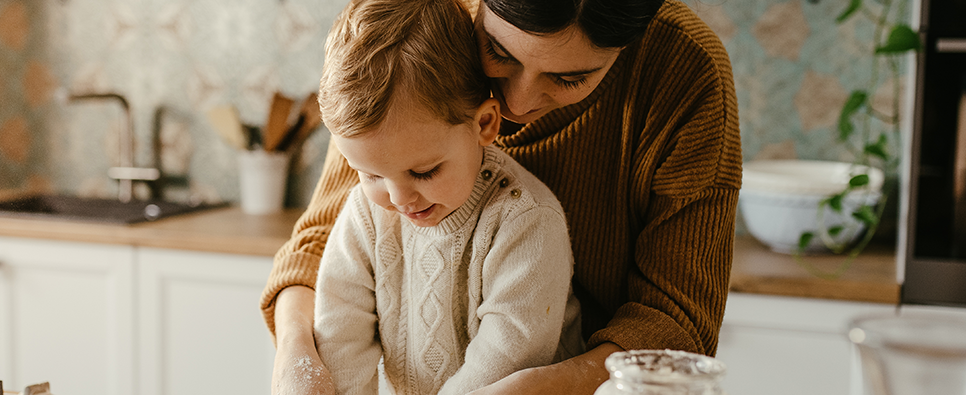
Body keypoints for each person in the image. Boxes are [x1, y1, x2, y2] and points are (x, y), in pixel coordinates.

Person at [265, 0, 741, 393]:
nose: (518, 103)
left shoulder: (686, 70)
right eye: (497, 50)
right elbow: (321, 246)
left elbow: (676, 321)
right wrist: (297, 358)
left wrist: (546, 384)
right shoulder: (407, 30)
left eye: (570, 77)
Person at [308, 0, 584, 394]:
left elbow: (505, 360)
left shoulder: (526, 221)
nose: (398, 198)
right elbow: (339, 333)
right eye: (370, 174)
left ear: (485, 123)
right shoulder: (365, 213)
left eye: (424, 171)